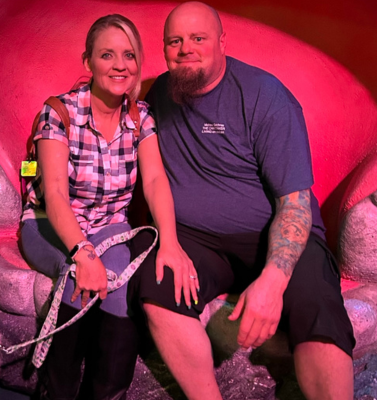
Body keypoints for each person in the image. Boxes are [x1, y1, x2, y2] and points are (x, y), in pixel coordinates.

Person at [128, 2, 356, 400]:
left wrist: (273, 279)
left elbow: (296, 202)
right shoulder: (163, 92)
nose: (185, 49)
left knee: (318, 308)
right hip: (197, 241)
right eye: (174, 41)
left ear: (221, 43)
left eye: (198, 39)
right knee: (157, 283)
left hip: (273, 235)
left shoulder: (266, 97)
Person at [19, 14, 193, 400]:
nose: (120, 65)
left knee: (122, 286)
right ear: (88, 63)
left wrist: (170, 242)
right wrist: (82, 253)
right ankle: (57, 393)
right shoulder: (60, 112)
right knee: (74, 279)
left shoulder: (140, 116)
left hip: (109, 225)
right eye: (107, 55)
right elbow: (56, 196)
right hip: (51, 224)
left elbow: (155, 181)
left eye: (129, 55)